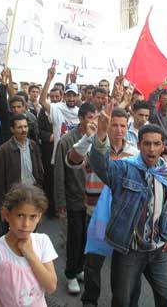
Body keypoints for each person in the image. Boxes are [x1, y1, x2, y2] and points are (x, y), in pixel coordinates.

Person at [88, 101, 167, 307]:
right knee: (123, 301)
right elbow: (101, 165)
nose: (152, 148)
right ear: (138, 146)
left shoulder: (166, 173)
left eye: (157, 144)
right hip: (129, 249)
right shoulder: (124, 169)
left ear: (163, 146)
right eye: (146, 143)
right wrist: (101, 134)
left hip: (156, 251)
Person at [67, 107, 139, 306]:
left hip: (122, 217)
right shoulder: (92, 147)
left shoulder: (134, 153)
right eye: (114, 125)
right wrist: (92, 137)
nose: (118, 130)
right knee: (93, 264)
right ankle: (90, 300)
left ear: (127, 128)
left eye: (122, 126)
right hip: (95, 214)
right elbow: (72, 160)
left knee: (121, 268)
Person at [0, 183, 58, 306]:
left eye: (32, 217)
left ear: (39, 216)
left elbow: (51, 286)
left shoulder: (42, 242)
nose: (26, 224)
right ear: (6, 214)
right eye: (20, 215)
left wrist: (30, 254)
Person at [54, 102, 97, 295]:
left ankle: (79, 269)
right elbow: (59, 174)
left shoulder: (98, 139)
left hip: (92, 200)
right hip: (73, 198)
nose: (93, 122)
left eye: (95, 118)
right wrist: (61, 202)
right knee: (74, 238)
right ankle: (70, 274)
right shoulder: (66, 141)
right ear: (80, 119)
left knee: (87, 238)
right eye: (89, 118)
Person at [0, 113, 44, 240]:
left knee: (29, 229)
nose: (23, 130)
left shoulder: (33, 145)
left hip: (32, 192)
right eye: (20, 127)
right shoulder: (4, 150)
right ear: (12, 129)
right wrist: (1, 204)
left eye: (25, 127)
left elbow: (39, 170)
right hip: (15, 196)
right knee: (11, 230)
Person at [39, 60, 80, 165]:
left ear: (77, 97)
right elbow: (42, 101)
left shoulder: (81, 113)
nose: (71, 99)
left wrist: (73, 82)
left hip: (77, 158)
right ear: (64, 96)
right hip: (59, 158)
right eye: (68, 95)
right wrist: (49, 79)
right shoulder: (57, 108)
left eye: (74, 95)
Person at [0, 68, 39, 146]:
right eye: (13, 107)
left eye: (19, 107)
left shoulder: (29, 121)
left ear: (24, 107)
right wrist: (4, 81)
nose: (16, 109)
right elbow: (1, 101)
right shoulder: (6, 119)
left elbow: (34, 140)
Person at [38, 88, 62, 218]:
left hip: (61, 150)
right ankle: (50, 208)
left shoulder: (63, 110)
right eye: (51, 96)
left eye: (56, 96)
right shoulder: (43, 111)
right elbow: (39, 130)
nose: (54, 99)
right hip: (48, 150)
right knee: (49, 179)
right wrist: (49, 136)